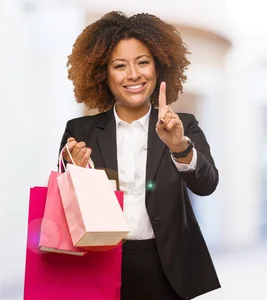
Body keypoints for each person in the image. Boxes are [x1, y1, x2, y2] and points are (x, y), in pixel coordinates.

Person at [58, 11, 220, 300]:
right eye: (120, 66)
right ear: (102, 74)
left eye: (143, 62)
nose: (133, 74)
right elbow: (65, 210)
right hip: (100, 265)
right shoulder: (80, 131)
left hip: (167, 269)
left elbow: (206, 184)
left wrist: (179, 147)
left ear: (158, 68)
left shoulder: (183, 125)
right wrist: (76, 175)